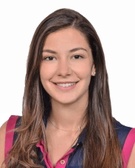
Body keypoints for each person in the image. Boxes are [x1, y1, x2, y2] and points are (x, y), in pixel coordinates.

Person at [0, 8, 135, 168]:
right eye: (50, 58)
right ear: (37, 66)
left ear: (94, 65)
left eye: (77, 56)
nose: (63, 71)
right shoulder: (10, 134)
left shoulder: (128, 145)